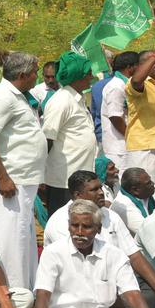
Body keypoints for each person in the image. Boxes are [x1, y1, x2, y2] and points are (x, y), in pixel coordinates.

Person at [42, 170, 155, 308]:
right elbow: (80, 269)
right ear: (77, 195)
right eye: (94, 190)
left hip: (117, 281)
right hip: (81, 285)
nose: (100, 193)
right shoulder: (62, 221)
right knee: (109, 298)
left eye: (100, 188)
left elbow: (135, 256)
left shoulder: (110, 216)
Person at [0, 51, 45, 291]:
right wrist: (3, 176)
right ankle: (9, 290)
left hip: (24, 179)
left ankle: (24, 287)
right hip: (9, 180)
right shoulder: (3, 97)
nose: (38, 76)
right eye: (35, 71)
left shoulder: (20, 96)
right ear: (24, 75)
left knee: (22, 236)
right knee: (8, 237)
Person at [40, 51, 97, 213]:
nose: (91, 77)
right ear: (78, 76)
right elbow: (47, 139)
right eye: (88, 74)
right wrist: (41, 176)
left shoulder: (77, 99)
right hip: (63, 181)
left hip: (80, 177)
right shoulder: (62, 101)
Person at [124, 44, 155, 185]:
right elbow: (137, 80)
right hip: (145, 145)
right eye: (153, 61)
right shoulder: (138, 83)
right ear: (139, 66)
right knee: (146, 188)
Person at [100, 51, 139, 171]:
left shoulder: (125, 84)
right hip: (119, 148)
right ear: (130, 67)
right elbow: (115, 117)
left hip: (126, 146)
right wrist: (131, 136)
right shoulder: (116, 86)